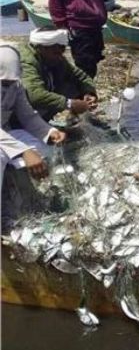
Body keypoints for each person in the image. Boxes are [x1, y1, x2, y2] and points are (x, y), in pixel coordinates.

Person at [1, 44, 66, 229]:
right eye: (4, 83)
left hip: (4, 132)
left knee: (44, 148)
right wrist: (23, 151)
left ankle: (35, 200)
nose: (8, 86)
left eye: (10, 82)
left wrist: (50, 132)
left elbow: (28, 116)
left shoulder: (15, 83)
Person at [20, 27, 98, 122]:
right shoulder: (27, 62)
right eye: (56, 53)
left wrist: (89, 93)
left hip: (46, 95)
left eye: (62, 52)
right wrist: (69, 104)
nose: (60, 57)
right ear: (42, 48)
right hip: (20, 108)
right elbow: (35, 95)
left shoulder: (55, 58)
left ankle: (75, 120)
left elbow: (80, 76)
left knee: (73, 85)